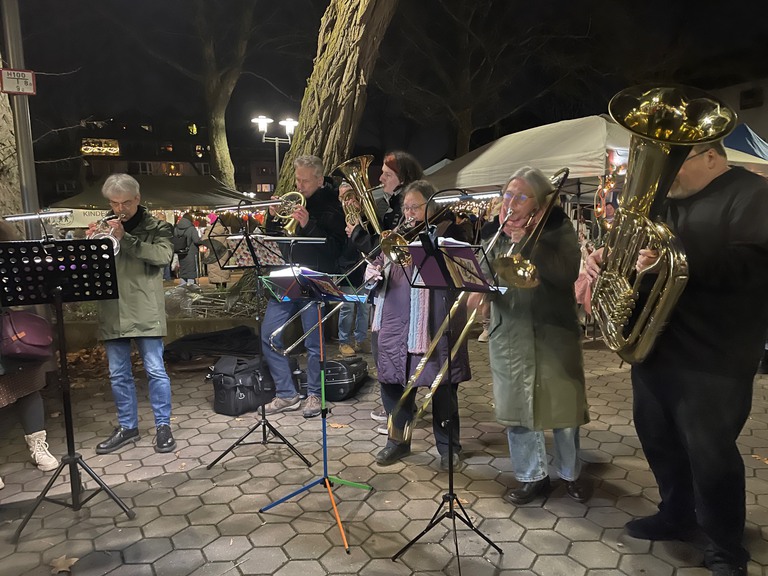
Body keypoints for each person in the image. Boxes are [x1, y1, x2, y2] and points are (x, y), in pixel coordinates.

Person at [586, 142, 768, 576]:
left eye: (676, 162)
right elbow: (637, 260)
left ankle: (725, 546)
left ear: (711, 156)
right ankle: (677, 513)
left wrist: (672, 258)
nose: (665, 174)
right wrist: (608, 259)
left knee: (710, 455)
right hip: (655, 348)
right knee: (658, 439)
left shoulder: (751, 194)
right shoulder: (664, 203)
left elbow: (753, 265)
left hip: (714, 356)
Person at [484, 166, 589, 504]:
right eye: (507, 195)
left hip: (552, 333)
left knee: (564, 408)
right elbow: (484, 274)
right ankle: (532, 477)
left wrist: (528, 242)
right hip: (510, 333)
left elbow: (566, 273)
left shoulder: (558, 226)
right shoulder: (495, 231)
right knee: (518, 411)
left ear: (539, 204)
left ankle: (571, 473)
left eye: (520, 197)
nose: (510, 203)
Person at [367, 180, 471, 470]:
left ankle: (449, 447)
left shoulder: (449, 230)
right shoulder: (396, 235)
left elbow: (460, 272)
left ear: (431, 207)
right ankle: (397, 442)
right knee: (393, 384)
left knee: (442, 386)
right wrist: (373, 271)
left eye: (415, 207)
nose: (409, 213)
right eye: (406, 208)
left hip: (433, 321)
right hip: (394, 322)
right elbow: (377, 263)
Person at [89, 173, 176, 454]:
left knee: (155, 370)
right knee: (118, 374)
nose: (120, 209)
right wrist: (89, 246)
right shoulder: (103, 226)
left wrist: (125, 239)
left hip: (145, 308)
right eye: (114, 203)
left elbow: (162, 257)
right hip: (113, 308)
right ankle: (128, 427)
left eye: (125, 202)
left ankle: (163, 426)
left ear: (137, 198)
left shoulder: (158, 227)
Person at [261, 155, 347, 418]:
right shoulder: (293, 200)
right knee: (268, 334)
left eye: (305, 181)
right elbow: (273, 240)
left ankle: (315, 395)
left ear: (319, 180)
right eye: (297, 180)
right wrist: (272, 218)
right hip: (286, 277)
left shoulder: (333, 206)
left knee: (313, 342)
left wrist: (309, 225)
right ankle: (286, 393)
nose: (299, 186)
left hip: (314, 278)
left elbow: (335, 250)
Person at [346, 151, 423, 428]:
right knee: (386, 351)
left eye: (387, 174)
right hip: (387, 290)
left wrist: (357, 234)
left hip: (399, 294)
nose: (379, 179)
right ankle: (399, 409)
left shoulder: (403, 210)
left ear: (403, 177)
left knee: (391, 353)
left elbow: (386, 250)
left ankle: (400, 413)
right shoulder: (391, 206)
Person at [0, 221, 58, 489]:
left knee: (27, 386)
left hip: (12, 330)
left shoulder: (8, 248)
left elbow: (27, 288)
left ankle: (38, 446)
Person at [337, 181, 370, 358]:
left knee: (365, 307)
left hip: (365, 268)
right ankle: (344, 341)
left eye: (350, 196)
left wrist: (361, 215)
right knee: (348, 308)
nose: (348, 201)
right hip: (348, 268)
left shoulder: (364, 215)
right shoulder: (337, 218)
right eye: (344, 197)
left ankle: (361, 339)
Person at [174, 213, 203, 285]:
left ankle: (183, 288)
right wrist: (202, 241)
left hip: (181, 253)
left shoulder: (176, 228)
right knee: (191, 273)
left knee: (183, 272)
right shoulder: (192, 228)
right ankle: (191, 288)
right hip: (191, 253)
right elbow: (196, 241)